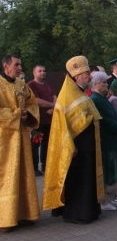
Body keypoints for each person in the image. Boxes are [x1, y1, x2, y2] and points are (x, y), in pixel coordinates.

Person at [43, 55, 104, 224]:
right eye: (87, 74)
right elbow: (64, 125)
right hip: (77, 147)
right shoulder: (68, 94)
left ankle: (89, 211)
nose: (90, 77)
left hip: (88, 145)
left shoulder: (80, 92)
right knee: (78, 180)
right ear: (77, 76)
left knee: (87, 179)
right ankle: (76, 214)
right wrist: (72, 145)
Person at [0, 54, 40, 233]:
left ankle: (24, 214)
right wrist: (17, 114)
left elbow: (33, 103)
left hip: (21, 138)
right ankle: (5, 219)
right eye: (16, 65)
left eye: (20, 65)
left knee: (23, 175)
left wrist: (27, 115)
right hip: (5, 140)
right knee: (6, 177)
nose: (19, 68)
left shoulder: (22, 84)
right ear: (5, 66)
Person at [90, 72, 117, 210]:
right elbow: (104, 120)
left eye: (105, 82)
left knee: (111, 169)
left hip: (111, 139)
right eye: (103, 82)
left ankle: (108, 198)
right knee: (106, 170)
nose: (106, 84)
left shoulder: (102, 98)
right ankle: (103, 201)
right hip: (105, 139)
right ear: (95, 84)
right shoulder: (95, 99)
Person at [27, 64, 57, 176]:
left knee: (47, 144)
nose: (43, 73)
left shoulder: (48, 84)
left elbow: (55, 96)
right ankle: (34, 168)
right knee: (35, 144)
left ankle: (45, 166)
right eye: (40, 71)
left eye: (44, 71)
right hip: (37, 122)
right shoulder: (31, 85)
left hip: (49, 121)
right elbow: (36, 100)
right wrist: (52, 105)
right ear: (34, 72)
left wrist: (53, 107)